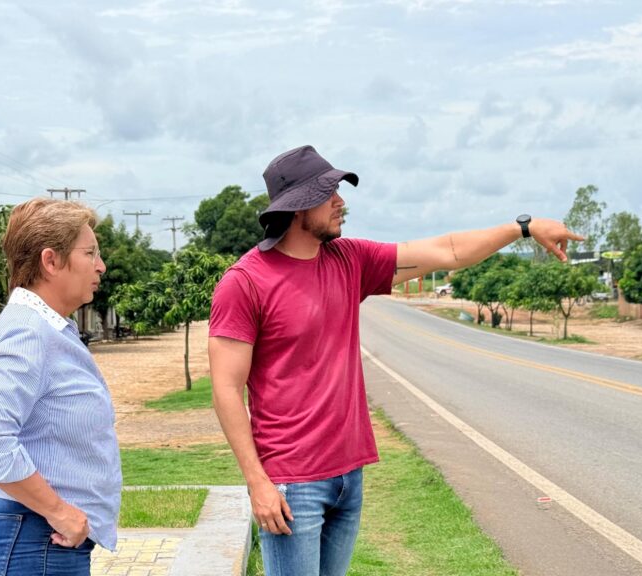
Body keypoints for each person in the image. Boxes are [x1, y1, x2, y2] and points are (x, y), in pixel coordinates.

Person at [209, 145, 582, 576]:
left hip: (348, 474)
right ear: (296, 208)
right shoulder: (246, 282)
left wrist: (523, 227)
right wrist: (258, 482)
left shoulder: (350, 261)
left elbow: (450, 251)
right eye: (328, 193)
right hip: (293, 484)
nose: (340, 203)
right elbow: (225, 388)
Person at [0, 197, 119, 576]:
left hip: (39, 541)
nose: (101, 265)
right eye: (90, 253)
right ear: (51, 261)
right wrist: (58, 511)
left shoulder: (46, 328)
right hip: (34, 541)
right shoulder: (29, 332)